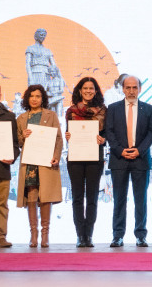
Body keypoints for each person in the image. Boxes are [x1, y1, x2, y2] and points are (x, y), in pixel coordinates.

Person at [106, 75, 152, 247]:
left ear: (140, 89)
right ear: (122, 89)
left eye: (135, 87)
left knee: (140, 199)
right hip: (119, 159)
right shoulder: (112, 109)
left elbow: (151, 133)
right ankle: (117, 235)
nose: (131, 91)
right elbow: (109, 133)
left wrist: (139, 150)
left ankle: (141, 235)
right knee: (119, 199)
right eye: (128, 87)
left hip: (140, 159)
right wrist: (121, 151)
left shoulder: (149, 109)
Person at [16, 84, 63, 248]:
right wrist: (23, 136)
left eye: (37, 96)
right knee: (31, 196)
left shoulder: (51, 115)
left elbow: (58, 138)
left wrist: (56, 157)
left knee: (46, 197)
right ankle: (33, 234)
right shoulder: (21, 118)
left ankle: (45, 234)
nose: (34, 99)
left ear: (43, 98)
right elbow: (18, 143)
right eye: (31, 96)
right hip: (29, 163)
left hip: (46, 162)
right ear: (27, 99)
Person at [65, 77, 107, 248]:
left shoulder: (103, 111)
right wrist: (68, 136)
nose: (88, 91)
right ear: (80, 90)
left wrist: (103, 139)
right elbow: (68, 132)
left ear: (96, 91)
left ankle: (88, 235)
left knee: (92, 197)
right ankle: (79, 235)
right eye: (85, 88)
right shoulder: (71, 111)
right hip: (75, 157)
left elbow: (107, 134)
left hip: (94, 157)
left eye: (92, 88)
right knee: (76, 197)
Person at [0, 81, 20, 248]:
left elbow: (15, 144)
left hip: (1, 168)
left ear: (0, 94)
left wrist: (12, 156)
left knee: (1, 205)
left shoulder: (9, 116)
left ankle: (0, 237)